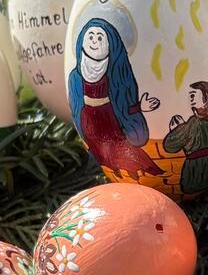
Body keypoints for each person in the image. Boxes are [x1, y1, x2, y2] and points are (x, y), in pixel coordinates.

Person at [68, 16, 161, 178]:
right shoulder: (75, 76)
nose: (94, 41)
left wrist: (140, 107)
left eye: (100, 38)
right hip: (88, 119)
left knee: (120, 148)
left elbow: (123, 101)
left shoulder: (116, 72)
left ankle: (132, 171)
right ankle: (116, 171)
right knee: (101, 150)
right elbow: (75, 105)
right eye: (91, 36)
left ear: (109, 44)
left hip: (108, 117)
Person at [163, 81, 208, 196]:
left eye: (193, 95)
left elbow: (170, 146)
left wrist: (178, 129)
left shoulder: (193, 123)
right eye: (190, 96)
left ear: (206, 96)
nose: (190, 99)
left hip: (195, 175)